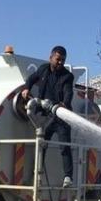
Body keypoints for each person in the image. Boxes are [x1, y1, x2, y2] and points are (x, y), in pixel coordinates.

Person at [21, 46, 75, 188]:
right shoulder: (43, 69)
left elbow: (68, 93)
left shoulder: (67, 76)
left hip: (61, 117)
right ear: (50, 58)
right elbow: (31, 79)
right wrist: (26, 88)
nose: (60, 63)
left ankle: (68, 177)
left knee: (65, 147)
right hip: (45, 117)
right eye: (58, 59)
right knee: (41, 145)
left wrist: (64, 104)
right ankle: (35, 175)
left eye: (63, 60)